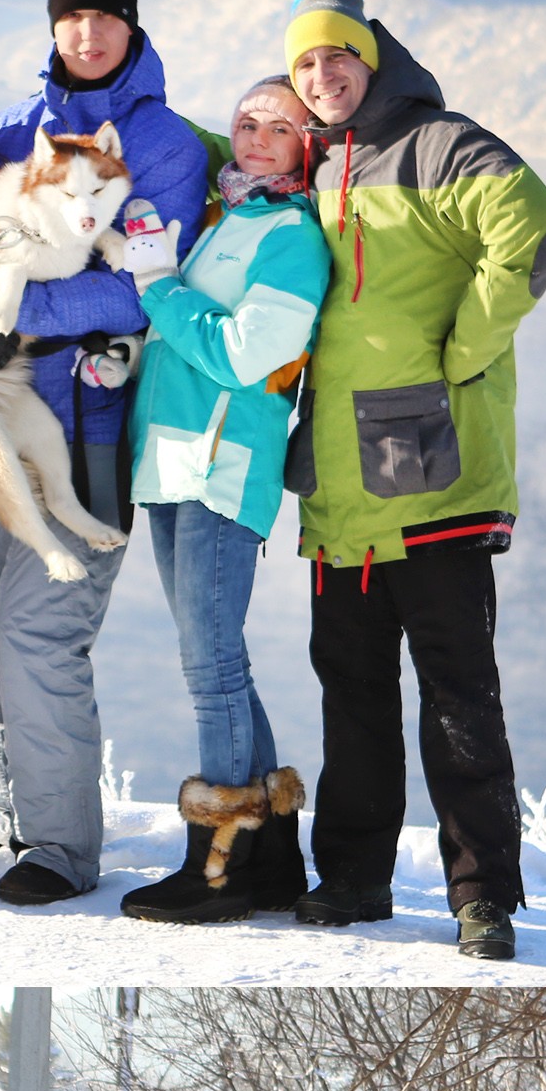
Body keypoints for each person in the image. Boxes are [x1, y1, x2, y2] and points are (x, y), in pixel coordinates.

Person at [281, 0, 546, 962]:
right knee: (349, 689)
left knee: (455, 688)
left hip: (427, 453)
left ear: (373, 56)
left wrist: (464, 351)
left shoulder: (440, 141)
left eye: (338, 57)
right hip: (334, 475)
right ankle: (355, 877)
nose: (324, 76)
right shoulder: (307, 163)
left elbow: (534, 229)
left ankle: (482, 896)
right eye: (306, 64)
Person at [0, 0, 211, 907]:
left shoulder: (167, 147)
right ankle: (9, 814)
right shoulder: (14, 131)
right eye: (73, 20)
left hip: (90, 424)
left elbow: (139, 290)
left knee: (39, 633)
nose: (89, 35)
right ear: (52, 28)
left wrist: (22, 303)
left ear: (132, 27)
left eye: (106, 19)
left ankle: (60, 848)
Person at [116, 76, 330, 924]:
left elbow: (248, 356)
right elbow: (177, 350)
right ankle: (272, 853)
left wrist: (159, 290)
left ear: (305, 146)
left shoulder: (292, 235)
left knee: (210, 668)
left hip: (223, 467)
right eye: (246, 122)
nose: (256, 136)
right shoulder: (225, 218)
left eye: (280, 127)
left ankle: (225, 861)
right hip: (171, 462)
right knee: (218, 660)